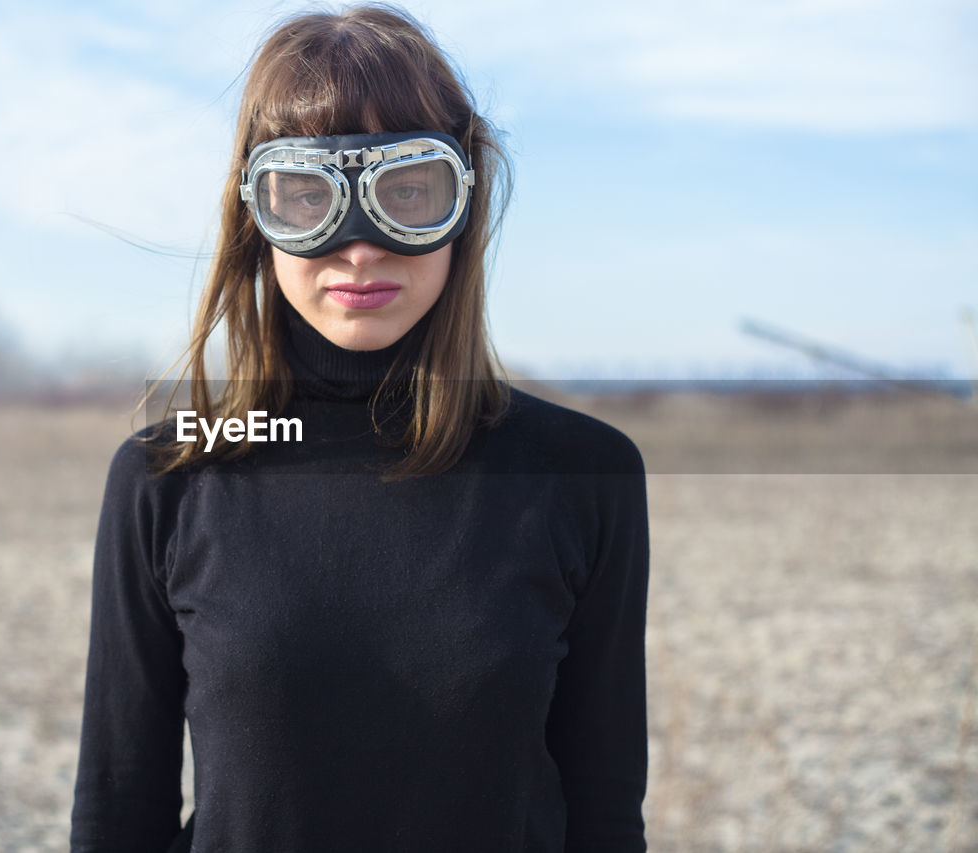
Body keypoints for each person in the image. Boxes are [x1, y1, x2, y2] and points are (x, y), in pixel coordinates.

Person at [70, 6, 649, 852]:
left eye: (407, 191)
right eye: (308, 195)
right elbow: (119, 811)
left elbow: (604, 817)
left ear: (464, 201)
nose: (359, 247)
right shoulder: (168, 475)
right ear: (255, 213)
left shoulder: (582, 473)